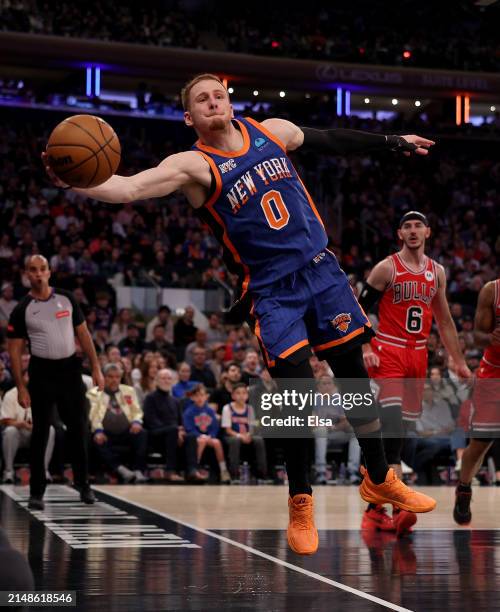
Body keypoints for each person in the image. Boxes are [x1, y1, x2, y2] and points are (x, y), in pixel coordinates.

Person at [43, 73, 437, 555]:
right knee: (297, 396)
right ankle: (300, 500)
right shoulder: (193, 164)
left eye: (219, 95)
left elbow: (334, 139)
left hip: (321, 271)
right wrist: (75, 180)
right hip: (271, 290)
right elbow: (129, 188)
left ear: (230, 103)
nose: (213, 102)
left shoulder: (272, 130)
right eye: (201, 100)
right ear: (190, 117)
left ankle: (379, 478)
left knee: (354, 380)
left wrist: (393, 141)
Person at [360, 211, 471, 535]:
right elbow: (359, 309)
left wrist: (458, 361)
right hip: (389, 350)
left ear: (427, 231)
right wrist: (366, 347)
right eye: (406, 226)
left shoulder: (437, 272)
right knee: (393, 428)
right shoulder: (386, 267)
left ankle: (375, 508)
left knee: (400, 434)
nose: (412, 230)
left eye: (417, 225)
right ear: (399, 234)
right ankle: (394, 506)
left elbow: (446, 321)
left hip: (418, 355)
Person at [7, 255, 103, 509]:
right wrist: (20, 386)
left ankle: (83, 484)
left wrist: (96, 367)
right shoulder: (22, 309)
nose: (38, 274)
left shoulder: (67, 298)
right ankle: (37, 491)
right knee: (41, 431)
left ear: (49, 272)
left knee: (79, 427)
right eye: (33, 270)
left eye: (42, 269)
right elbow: (14, 351)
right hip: (41, 371)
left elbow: (83, 334)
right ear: (27, 274)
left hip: (70, 369)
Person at [453, 279, 500, 525]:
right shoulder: (492, 291)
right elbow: (477, 337)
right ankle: (464, 487)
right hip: (493, 375)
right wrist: (491, 338)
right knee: (480, 444)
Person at [88, 363, 148, 483]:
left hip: (127, 431)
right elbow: (93, 415)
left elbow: (136, 410)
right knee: (96, 438)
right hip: (105, 432)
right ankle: (121, 470)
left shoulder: (128, 391)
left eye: (117, 377)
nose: (114, 380)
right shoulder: (94, 393)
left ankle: (138, 470)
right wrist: (98, 431)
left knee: (142, 433)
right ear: (103, 377)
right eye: (110, 376)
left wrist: (136, 422)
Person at [143, 369, 206, 482]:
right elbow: (151, 421)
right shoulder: (150, 398)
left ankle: (192, 471)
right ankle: (170, 471)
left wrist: (180, 431)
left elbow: (180, 422)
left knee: (191, 436)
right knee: (172, 430)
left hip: (174, 434)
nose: (166, 381)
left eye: (169, 378)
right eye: (163, 378)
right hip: (156, 435)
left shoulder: (175, 401)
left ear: (172, 382)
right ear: (156, 381)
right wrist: (175, 430)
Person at [0, 365, 55, 484]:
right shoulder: (11, 394)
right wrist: (21, 424)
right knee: (10, 431)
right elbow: (5, 420)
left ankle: (44, 471)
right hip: (18, 432)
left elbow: (48, 417)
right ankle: (8, 472)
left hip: (36, 431)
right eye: (29, 375)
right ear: (22, 377)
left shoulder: (42, 394)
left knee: (50, 430)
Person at [183, 384, 231, 483]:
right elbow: (188, 427)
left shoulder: (210, 411)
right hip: (197, 436)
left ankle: (223, 470)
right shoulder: (189, 411)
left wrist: (211, 436)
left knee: (217, 442)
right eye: (196, 396)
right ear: (192, 397)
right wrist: (200, 435)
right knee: (201, 441)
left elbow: (215, 426)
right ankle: (195, 468)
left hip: (209, 436)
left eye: (202, 395)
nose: (199, 398)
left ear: (206, 396)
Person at [221, 382, 267, 479]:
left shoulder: (250, 409)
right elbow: (228, 430)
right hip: (232, 436)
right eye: (238, 393)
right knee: (235, 441)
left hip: (247, 435)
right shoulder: (227, 408)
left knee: (258, 439)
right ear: (233, 395)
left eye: (244, 393)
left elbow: (253, 426)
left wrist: (249, 434)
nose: (241, 396)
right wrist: (240, 436)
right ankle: (234, 474)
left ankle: (262, 473)